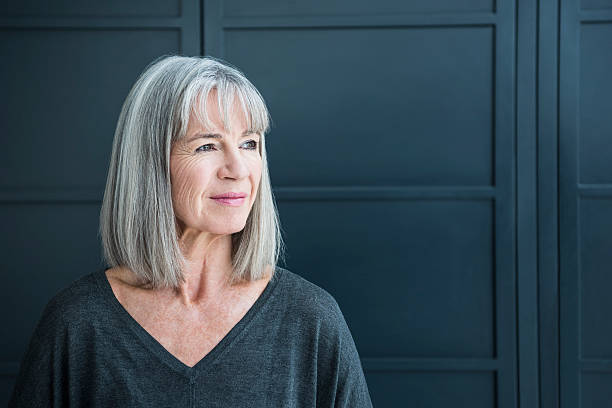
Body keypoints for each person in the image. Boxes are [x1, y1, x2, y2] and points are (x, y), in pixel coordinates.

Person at [8, 55, 374, 407]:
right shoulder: (76, 324)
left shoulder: (311, 319)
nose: (238, 168)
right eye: (207, 146)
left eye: (249, 143)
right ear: (150, 164)